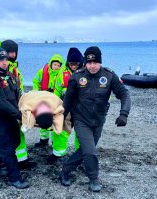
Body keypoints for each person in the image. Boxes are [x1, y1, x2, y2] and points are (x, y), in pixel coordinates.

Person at [60, 46, 131, 192]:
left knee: (85, 150)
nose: (92, 66)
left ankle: (65, 170)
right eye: (89, 62)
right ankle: (93, 178)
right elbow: (68, 100)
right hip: (81, 119)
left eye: (95, 62)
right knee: (90, 151)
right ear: (85, 62)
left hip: (99, 120)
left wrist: (124, 113)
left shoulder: (109, 76)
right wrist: (60, 118)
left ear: (100, 62)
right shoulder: (77, 76)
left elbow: (124, 94)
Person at [0, 47, 29, 189]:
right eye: (1, 60)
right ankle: (15, 178)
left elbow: (16, 94)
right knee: (7, 148)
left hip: (10, 116)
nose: (4, 62)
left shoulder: (8, 75)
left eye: (6, 59)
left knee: (15, 141)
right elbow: (0, 102)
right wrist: (19, 115)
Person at [0, 40, 31, 168]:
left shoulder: (14, 68)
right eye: (9, 52)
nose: (12, 55)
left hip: (15, 105)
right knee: (3, 137)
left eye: (14, 52)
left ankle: (21, 160)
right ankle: (0, 160)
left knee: (18, 133)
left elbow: (17, 86)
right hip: (3, 108)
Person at [45, 48, 84, 164]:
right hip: (65, 106)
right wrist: (53, 105)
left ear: (80, 62)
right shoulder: (61, 73)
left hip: (82, 108)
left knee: (81, 132)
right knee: (59, 129)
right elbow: (57, 91)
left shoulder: (86, 72)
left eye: (76, 64)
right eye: (71, 64)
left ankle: (80, 153)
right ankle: (58, 152)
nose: (73, 66)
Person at [32, 54, 63, 149]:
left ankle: (54, 142)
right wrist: (38, 94)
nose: (56, 67)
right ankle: (43, 140)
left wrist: (52, 98)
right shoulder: (42, 72)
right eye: (55, 64)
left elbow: (59, 89)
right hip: (42, 99)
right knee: (42, 119)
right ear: (51, 64)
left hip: (54, 102)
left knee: (54, 121)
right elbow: (35, 82)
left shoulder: (61, 75)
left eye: (58, 65)